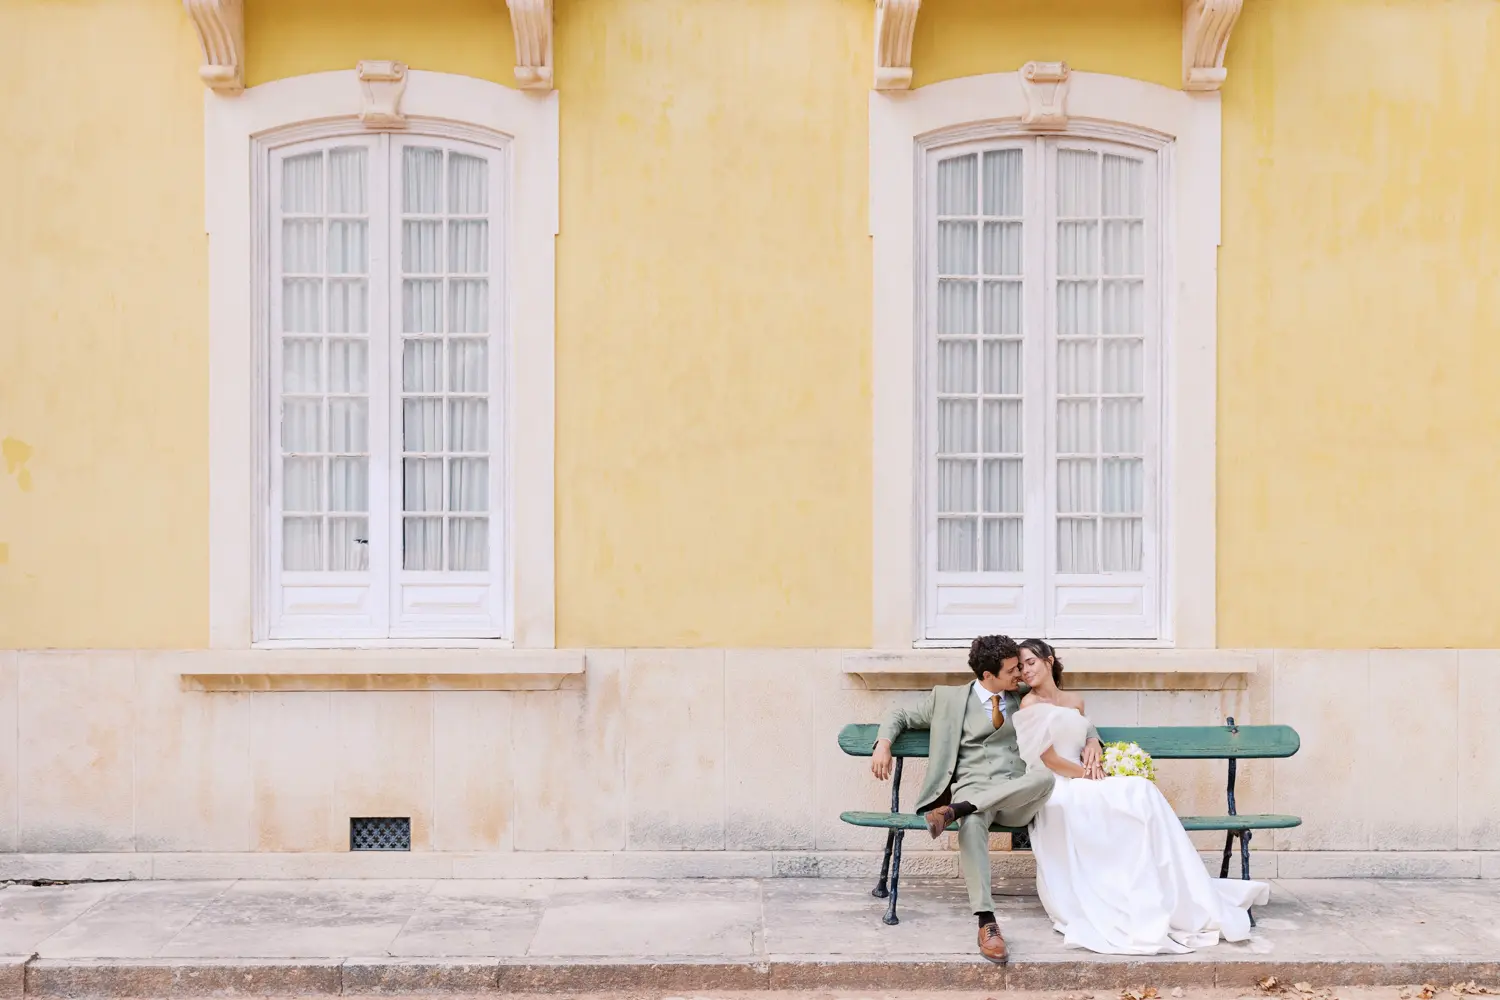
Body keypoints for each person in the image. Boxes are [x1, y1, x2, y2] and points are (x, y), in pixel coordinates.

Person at [1012, 637, 1270, 955]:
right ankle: (1115, 890)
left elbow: (1086, 732)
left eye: (1031, 662)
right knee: (1086, 802)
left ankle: (1163, 885)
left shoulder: (1075, 700)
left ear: (1049, 660)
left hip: (1086, 777)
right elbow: (1047, 759)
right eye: (1020, 666)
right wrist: (1089, 776)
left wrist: (1093, 745)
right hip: (1056, 783)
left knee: (1140, 789)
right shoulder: (1030, 705)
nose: (1025, 671)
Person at [870, 635, 1103, 964]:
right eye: (1011, 670)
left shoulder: (1022, 694)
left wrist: (1093, 739)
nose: (1019, 674)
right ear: (987, 676)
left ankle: (955, 811)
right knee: (974, 822)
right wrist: (883, 744)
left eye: (1020, 667)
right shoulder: (948, 699)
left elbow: (1070, 714)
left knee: (1043, 777)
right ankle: (986, 922)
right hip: (972, 787)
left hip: (1018, 792)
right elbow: (900, 715)